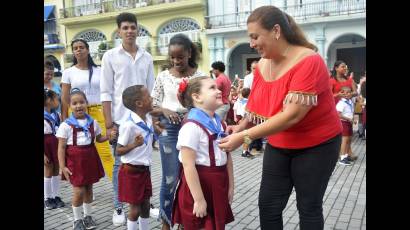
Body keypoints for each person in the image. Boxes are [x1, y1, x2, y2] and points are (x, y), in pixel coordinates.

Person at [218, 6, 342, 229]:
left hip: (317, 145)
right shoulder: (262, 65)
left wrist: (244, 136)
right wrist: (241, 127)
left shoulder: (309, 60)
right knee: (268, 205)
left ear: (276, 30)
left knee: (309, 206)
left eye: (255, 36)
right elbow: (256, 104)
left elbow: (292, 116)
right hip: (279, 142)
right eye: (250, 38)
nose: (252, 44)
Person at [100, 12, 155, 226]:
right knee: (119, 165)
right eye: (125, 28)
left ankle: (143, 204)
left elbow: (150, 90)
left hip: (143, 120)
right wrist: (109, 124)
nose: (130, 31)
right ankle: (118, 206)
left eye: (133, 27)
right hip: (121, 121)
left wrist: (152, 119)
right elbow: (106, 92)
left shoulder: (147, 57)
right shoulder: (110, 56)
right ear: (119, 31)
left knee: (144, 161)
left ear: (138, 29)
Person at [150, 33, 205, 230]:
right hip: (169, 129)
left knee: (192, 175)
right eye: (172, 57)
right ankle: (166, 222)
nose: (176, 61)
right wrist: (165, 110)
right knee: (171, 177)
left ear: (189, 53)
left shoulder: (200, 76)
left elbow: (205, 104)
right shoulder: (163, 76)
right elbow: (152, 105)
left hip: (193, 127)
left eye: (180, 57)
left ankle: (184, 220)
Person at [172, 76, 234, 229]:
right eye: (212, 88)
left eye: (217, 87)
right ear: (197, 97)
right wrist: (199, 199)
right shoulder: (191, 126)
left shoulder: (219, 122)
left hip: (219, 181)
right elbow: (188, 165)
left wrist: (231, 186)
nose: (218, 90)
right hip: (199, 184)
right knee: (199, 224)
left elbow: (227, 156)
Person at [61, 38, 115, 180]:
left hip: (98, 111)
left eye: (81, 47)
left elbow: (108, 93)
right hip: (77, 114)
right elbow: (65, 99)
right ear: (73, 52)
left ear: (88, 49)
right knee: (79, 151)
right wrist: (65, 119)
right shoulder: (68, 72)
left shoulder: (100, 71)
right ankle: (84, 184)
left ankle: (118, 190)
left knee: (105, 153)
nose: (78, 50)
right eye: (75, 48)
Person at [56, 88, 109, 230]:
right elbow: (61, 148)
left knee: (89, 189)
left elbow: (99, 138)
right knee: (78, 191)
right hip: (74, 161)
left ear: (86, 103)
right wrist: (62, 167)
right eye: (74, 103)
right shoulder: (65, 125)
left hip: (90, 157)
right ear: (69, 106)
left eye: (81, 102)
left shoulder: (93, 122)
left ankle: (88, 216)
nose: (78, 106)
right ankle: (77, 219)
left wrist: (109, 136)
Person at [116, 85, 163, 230]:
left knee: (146, 205)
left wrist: (159, 130)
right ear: (139, 104)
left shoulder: (147, 120)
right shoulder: (128, 125)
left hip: (144, 170)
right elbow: (118, 150)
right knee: (135, 209)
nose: (152, 98)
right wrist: (134, 145)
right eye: (148, 97)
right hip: (131, 172)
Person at [44, 88, 65, 209]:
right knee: (48, 170)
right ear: (48, 100)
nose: (58, 101)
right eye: (56, 99)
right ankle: (47, 198)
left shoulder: (55, 114)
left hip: (55, 143)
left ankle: (56, 196)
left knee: (57, 169)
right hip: (46, 145)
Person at [336, 86, 355, 166]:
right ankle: (342, 157)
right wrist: (348, 119)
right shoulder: (341, 103)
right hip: (344, 122)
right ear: (341, 93)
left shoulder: (350, 101)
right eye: (344, 92)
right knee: (345, 140)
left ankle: (346, 155)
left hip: (349, 122)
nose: (347, 94)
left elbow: (351, 111)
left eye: (349, 92)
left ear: (351, 93)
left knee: (349, 140)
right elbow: (338, 115)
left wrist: (352, 119)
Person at [233, 88, 252, 158]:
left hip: (239, 118)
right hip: (244, 119)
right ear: (249, 94)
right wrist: (243, 119)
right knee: (247, 136)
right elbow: (245, 113)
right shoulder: (247, 102)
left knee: (246, 136)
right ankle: (245, 151)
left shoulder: (239, 101)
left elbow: (236, 110)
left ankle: (246, 150)